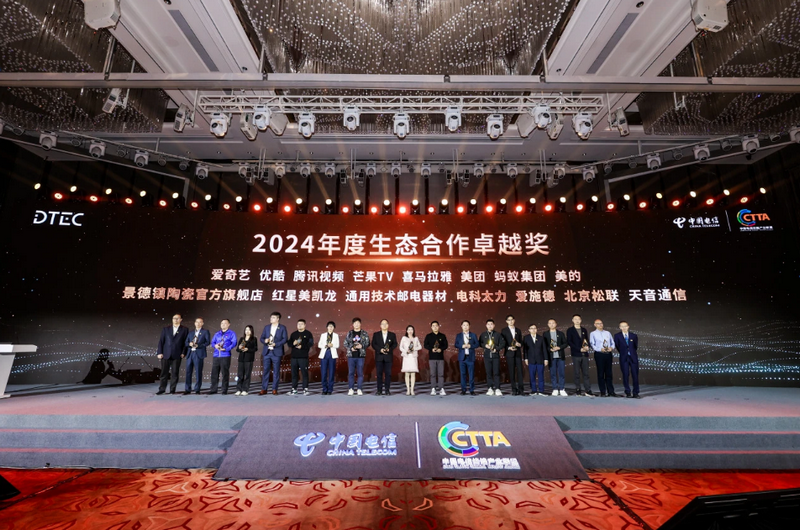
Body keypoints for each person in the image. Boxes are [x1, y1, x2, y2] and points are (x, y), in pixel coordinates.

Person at [156, 313, 189, 395]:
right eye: (174, 318)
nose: (175, 320)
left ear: (181, 320)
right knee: (164, 373)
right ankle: (162, 389)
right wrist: (159, 352)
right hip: (165, 354)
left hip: (177, 354)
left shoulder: (185, 329)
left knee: (175, 373)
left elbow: (185, 343)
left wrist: (183, 352)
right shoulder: (166, 329)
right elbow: (161, 341)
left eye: (177, 318)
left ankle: (172, 390)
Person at [259, 312, 288, 396]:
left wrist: (276, 344)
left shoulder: (282, 327)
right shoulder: (267, 327)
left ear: (278, 319)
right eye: (271, 317)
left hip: (276, 352)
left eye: (273, 317)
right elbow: (261, 338)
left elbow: (285, 339)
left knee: (276, 371)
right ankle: (264, 389)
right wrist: (264, 340)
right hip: (267, 352)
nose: (271, 319)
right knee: (265, 371)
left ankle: (274, 389)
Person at [567, 314, 594, 396]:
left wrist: (587, 347)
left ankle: (588, 389)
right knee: (577, 373)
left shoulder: (584, 330)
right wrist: (579, 349)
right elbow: (570, 342)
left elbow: (586, 340)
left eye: (578, 319)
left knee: (586, 373)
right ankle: (578, 389)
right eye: (575, 319)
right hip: (576, 354)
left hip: (585, 354)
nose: (577, 320)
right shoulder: (570, 330)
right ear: (572, 320)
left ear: (581, 320)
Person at [590, 319, 617, 397]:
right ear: (595, 325)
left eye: (601, 323)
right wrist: (599, 349)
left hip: (608, 354)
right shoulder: (593, 333)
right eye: (598, 323)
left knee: (609, 373)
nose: (600, 325)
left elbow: (612, 343)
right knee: (601, 373)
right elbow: (592, 344)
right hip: (599, 354)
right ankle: (603, 391)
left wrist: (611, 348)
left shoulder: (607, 333)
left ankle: (611, 391)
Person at [183, 317, 210, 395]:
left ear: (202, 323)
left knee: (198, 372)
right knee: (188, 372)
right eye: (197, 322)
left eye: (200, 322)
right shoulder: (191, 332)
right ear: (194, 323)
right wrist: (189, 344)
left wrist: (198, 345)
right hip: (190, 353)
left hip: (198, 354)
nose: (198, 323)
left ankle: (197, 389)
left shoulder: (205, 332)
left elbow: (207, 342)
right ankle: (187, 389)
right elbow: (186, 342)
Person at [479, 319, 506, 396]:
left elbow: (503, 343)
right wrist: (485, 345)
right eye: (488, 324)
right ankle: (490, 388)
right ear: (486, 325)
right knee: (488, 373)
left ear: (494, 325)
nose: (490, 326)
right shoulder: (483, 334)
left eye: (491, 324)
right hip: (487, 356)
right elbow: (480, 343)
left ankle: (497, 388)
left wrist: (496, 349)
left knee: (496, 373)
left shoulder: (498, 334)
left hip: (495, 356)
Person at [344, 317, 370, 396]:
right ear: (353, 324)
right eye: (355, 323)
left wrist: (362, 346)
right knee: (351, 373)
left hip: (360, 356)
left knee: (360, 373)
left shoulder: (364, 333)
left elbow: (368, 343)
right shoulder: (350, 333)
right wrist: (351, 348)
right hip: (351, 356)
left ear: (360, 324)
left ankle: (359, 389)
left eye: (358, 323)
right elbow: (345, 343)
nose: (356, 324)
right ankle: (351, 389)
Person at [209, 319, 236, 395]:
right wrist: (215, 346)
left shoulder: (232, 333)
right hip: (216, 355)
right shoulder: (217, 334)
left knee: (225, 373)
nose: (223, 324)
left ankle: (224, 390)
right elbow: (212, 342)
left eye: (225, 323)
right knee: (214, 373)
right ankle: (213, 389)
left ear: (229, 324)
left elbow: (234, 343)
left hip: (225, 355)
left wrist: (226, 349)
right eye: (222, 323)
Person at [614, 321, 640, 398]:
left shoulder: (633, 336)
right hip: (624, 357)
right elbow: (617, 346)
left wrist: (631, 352)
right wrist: (624, 353)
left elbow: (635, 346)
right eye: (622, 326)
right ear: (619, 327)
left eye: (625, 326)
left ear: (628, 326)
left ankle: (636, 392)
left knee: (635, 375)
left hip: (633, 357)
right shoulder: (617, 336)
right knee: (625, 375)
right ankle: (627, 392)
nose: (624, 328)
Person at [288, 319, 315, 395]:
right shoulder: (293, 334)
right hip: (294, 357)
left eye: (301, 324)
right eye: (298, 324)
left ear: (304, 325)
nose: (299, 325)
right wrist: (293, 343)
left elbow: (310, 343)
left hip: (303, 357)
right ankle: (294, 389)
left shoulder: (308, 334)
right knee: (294, 374)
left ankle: (305, 389)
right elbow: (289, 343)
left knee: (304, 373)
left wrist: (302, 346)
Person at [371, 319, 397, 396]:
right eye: (383, 324)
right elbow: (373, 344)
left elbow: (395, 344)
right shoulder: (376, 334)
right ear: (380, 325)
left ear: (388, 325)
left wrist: (390, 349)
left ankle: (387, 390)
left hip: (388, 357)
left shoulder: (392, 335)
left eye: (386, 324)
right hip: (379, 357)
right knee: (379, 374)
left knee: (388, 374)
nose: (384, 325)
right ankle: (379, 390)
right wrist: (380, 349)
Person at [501, 315, 525, 396]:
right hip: (509, 353)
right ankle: (514, 389)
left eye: (512, 320)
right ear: (506, 321)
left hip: (517, 353)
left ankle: (521, 390)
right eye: (509, 320)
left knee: (520, 371)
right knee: (511, 372)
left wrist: (519, 344)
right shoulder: (504, 331)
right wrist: (509, 347)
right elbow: (503, 343)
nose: (511, 321)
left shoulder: (518, 330)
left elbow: (521, 341)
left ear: (514, 320)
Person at [454, 320, 479, 396]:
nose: (465, 327)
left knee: (471, 374)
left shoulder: (473, 335)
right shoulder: (458, 335)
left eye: (467, 325)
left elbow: (477, 344)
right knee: (463, 374)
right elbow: (456, 344)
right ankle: (463, 390)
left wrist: (470, 346)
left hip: (470, 357)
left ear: (469, 326)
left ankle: (472, 390)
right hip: (462, 358)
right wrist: (462, 346)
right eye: (464, 325)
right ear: (461, 326)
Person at [523, 324, 549, 396]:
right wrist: (526, 358)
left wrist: (546, 359)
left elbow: (544, 349)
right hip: (531, 360)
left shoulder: (541, 338)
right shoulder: (526, 338)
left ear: (536, 330)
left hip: (540, 360)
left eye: (534, 328)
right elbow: (525, 350)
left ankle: (541, 390)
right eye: (531, 328)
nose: (533, 330)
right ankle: (533, 390)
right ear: (529, 330)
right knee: (532, 376)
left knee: (541, 376)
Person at [424, 321, 448, 396]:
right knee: (433, 374)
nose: (435, 327)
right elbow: (425, 345)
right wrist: (431, 349)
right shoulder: (428, 336)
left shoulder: (442, 336)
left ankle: (441, 388)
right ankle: (433, 388)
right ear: (431, 327)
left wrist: (441, 349)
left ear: (438, 326)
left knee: (441, 374)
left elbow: (446, 345)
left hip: (440, 358)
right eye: (433, 326)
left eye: (436, 326)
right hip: (432, 357)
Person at [545, 319, 568, 396]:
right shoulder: (545, 334)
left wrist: (559, 347)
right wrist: (550, 349)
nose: (551, 324)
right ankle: (555, 388)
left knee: (561, 373)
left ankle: (562, 388)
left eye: (553, 323)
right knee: (553, 373)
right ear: (548, 324)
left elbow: (565, 343)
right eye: (550, 323)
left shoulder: (560, 333)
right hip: (551, 357)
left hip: (560, 356)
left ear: (556, 324)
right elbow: (544, 345)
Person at [318, 322, 339, 395]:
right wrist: (325, 345)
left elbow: (337, 345)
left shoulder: (336, 335)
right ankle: (324, 389)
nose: (330, 328)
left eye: (332, 326)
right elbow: (319, 345)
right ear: (327, 327)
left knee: (331, 372)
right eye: (329, 326)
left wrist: (332, 345)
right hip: (324, 354)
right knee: (323, 372)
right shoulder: (323, 335)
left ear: (334, 328)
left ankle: (330, 389)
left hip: (332, 354)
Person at [235, 325, 257, 396]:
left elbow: (255, 348)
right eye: (246, 330)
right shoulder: (242, 339)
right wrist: (240, 348)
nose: (247, 331)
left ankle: (245, 389)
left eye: (249, 330)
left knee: (247, 375)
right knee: (240, 375)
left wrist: (248, 349)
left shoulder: (254, 339)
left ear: (251, 331)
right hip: (241, 359)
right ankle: (238, 389)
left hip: (249, 359)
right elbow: (237, 349)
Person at [400, 325, 422, 395]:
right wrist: (406, 351)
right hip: (406, 357)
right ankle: (408, 390)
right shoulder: (404, 338)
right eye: (409, 329)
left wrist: (414, 349)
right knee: (407, 373)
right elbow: (401, 347)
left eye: (411, 329)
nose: (410, 331)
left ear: (413, 331)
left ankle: (412, 390)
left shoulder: (416, 338)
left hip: (413, 357)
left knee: (413, 373)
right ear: (406, 331)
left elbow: (420, 347)